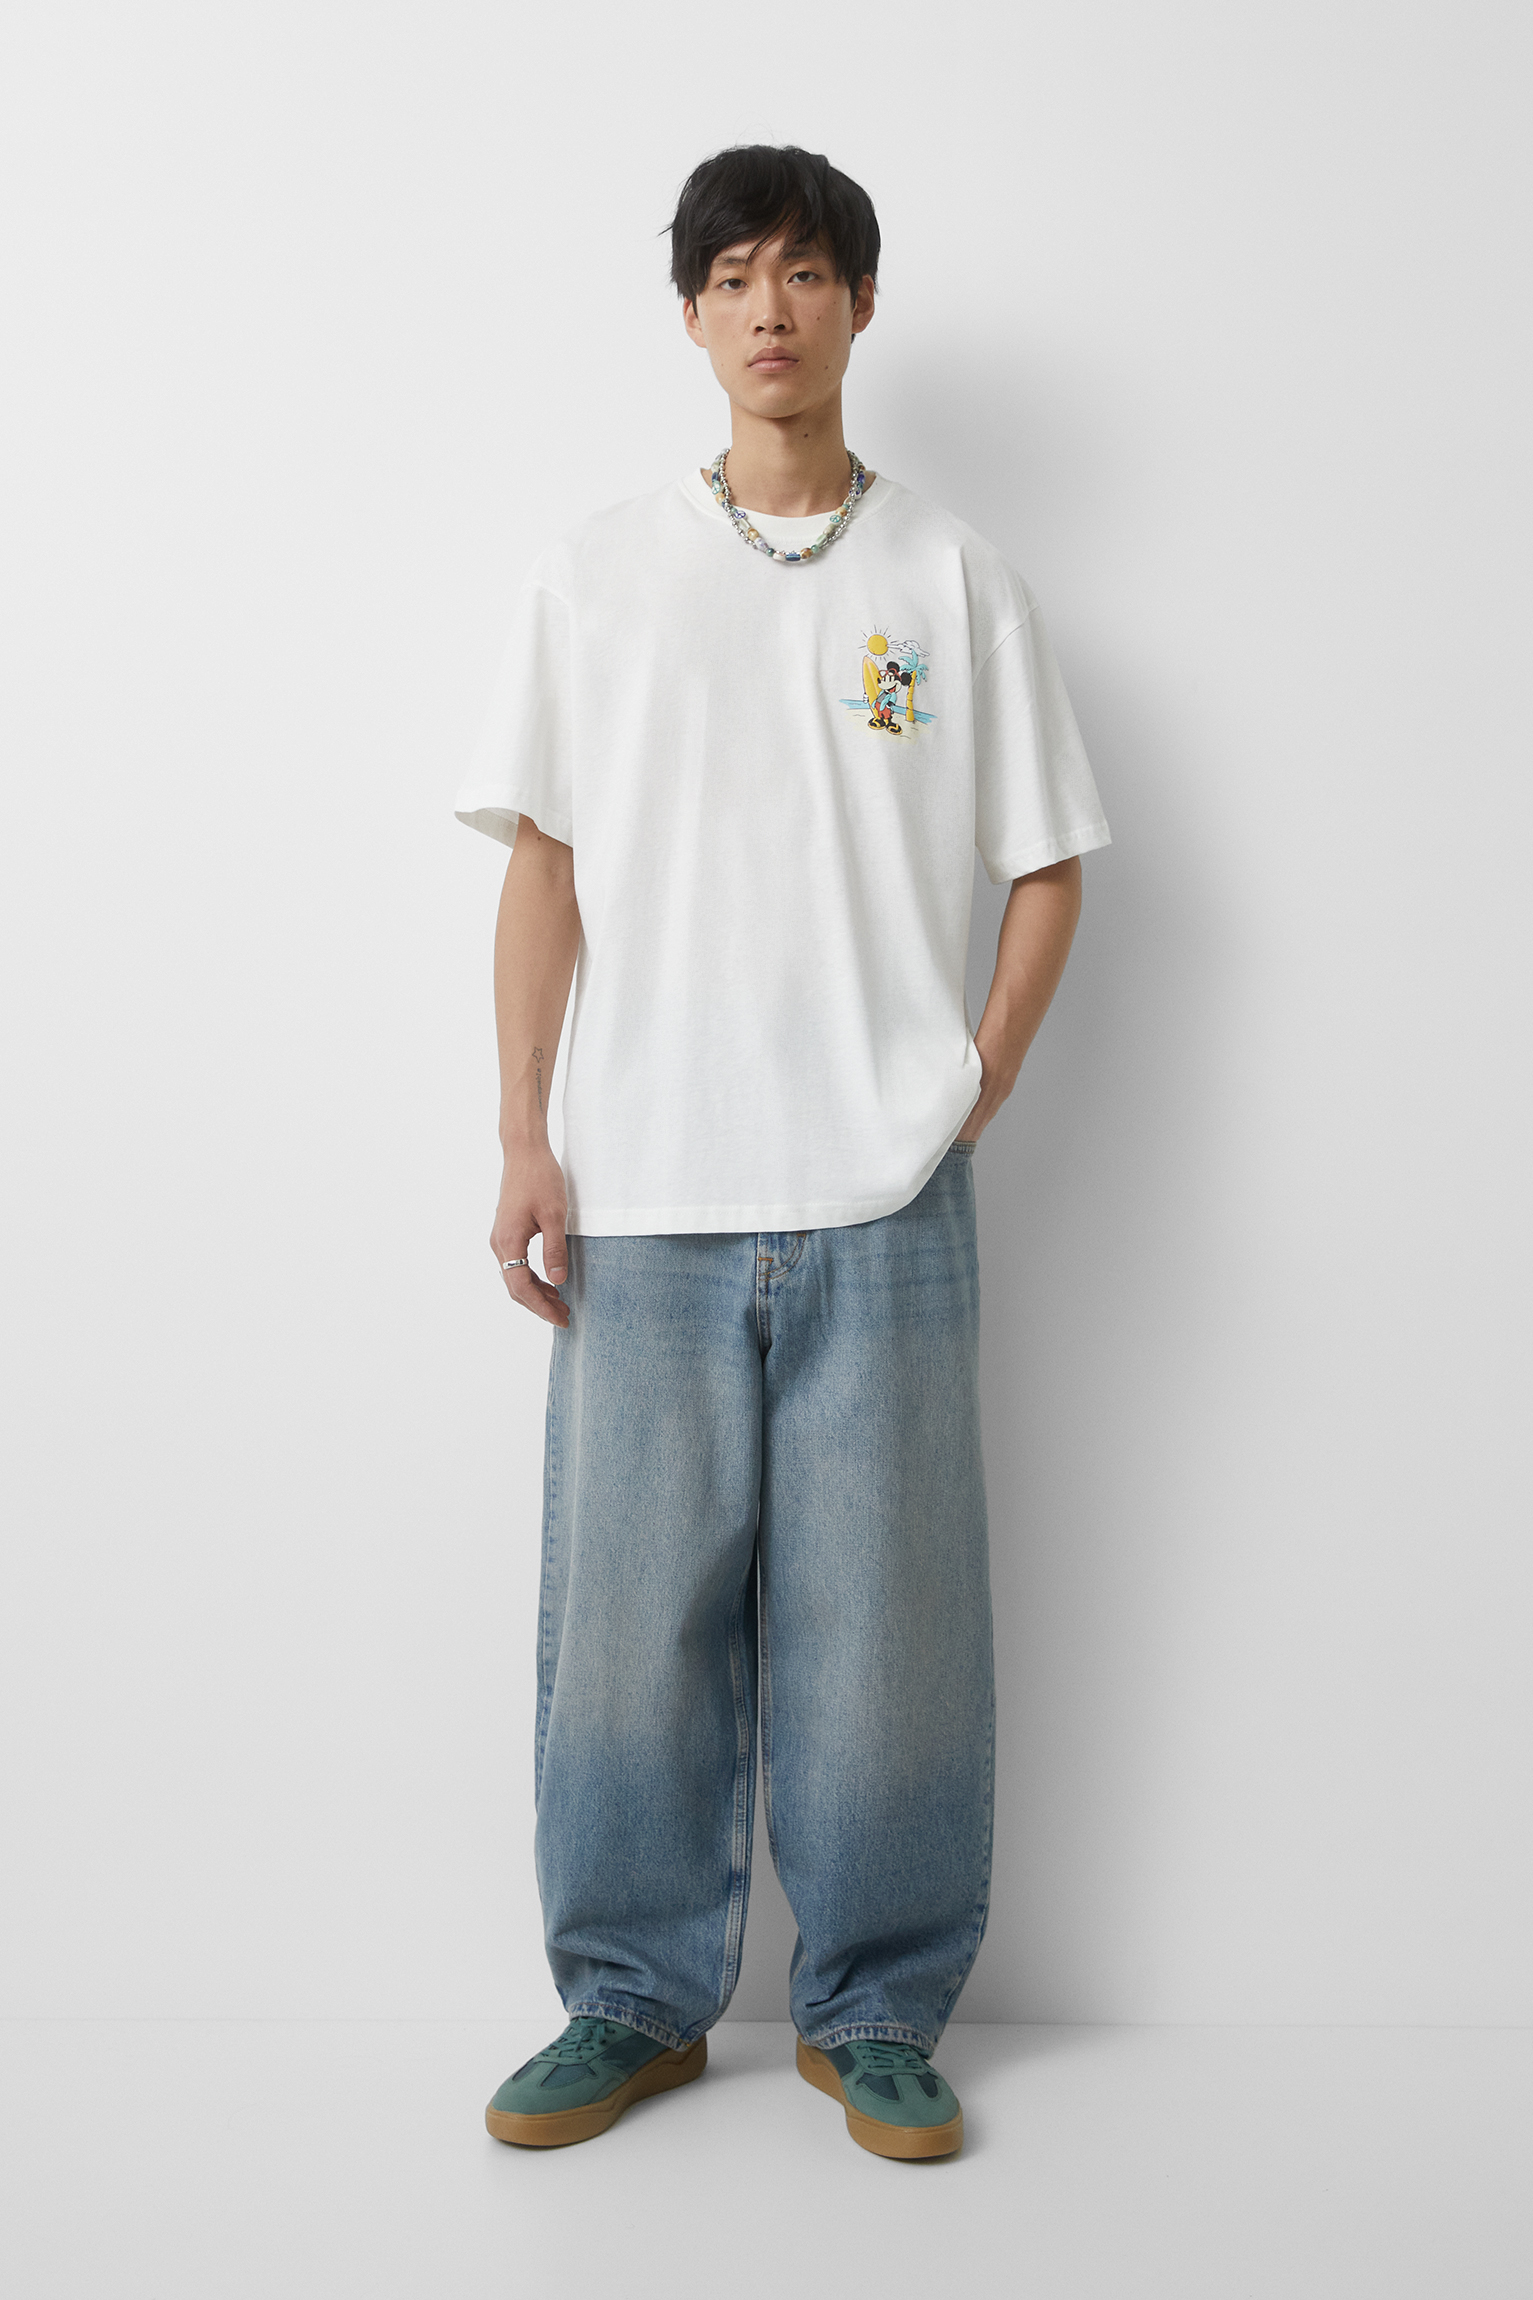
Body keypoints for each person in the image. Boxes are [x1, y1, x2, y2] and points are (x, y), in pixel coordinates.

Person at [454, 143, 1109, 2161]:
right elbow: (543, 868)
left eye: (804, 273)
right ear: (687, 314)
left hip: (881, 1192)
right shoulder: (594, 573)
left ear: (859, 305)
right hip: (645, 1184)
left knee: (886, 1634)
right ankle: (630, 2001)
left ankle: (877, 2011)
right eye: (731, 274)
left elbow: (1046, 860)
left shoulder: (950, 580)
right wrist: (524, 1134)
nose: (768, 308)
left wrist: (975, 1075)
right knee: (623, 1635)